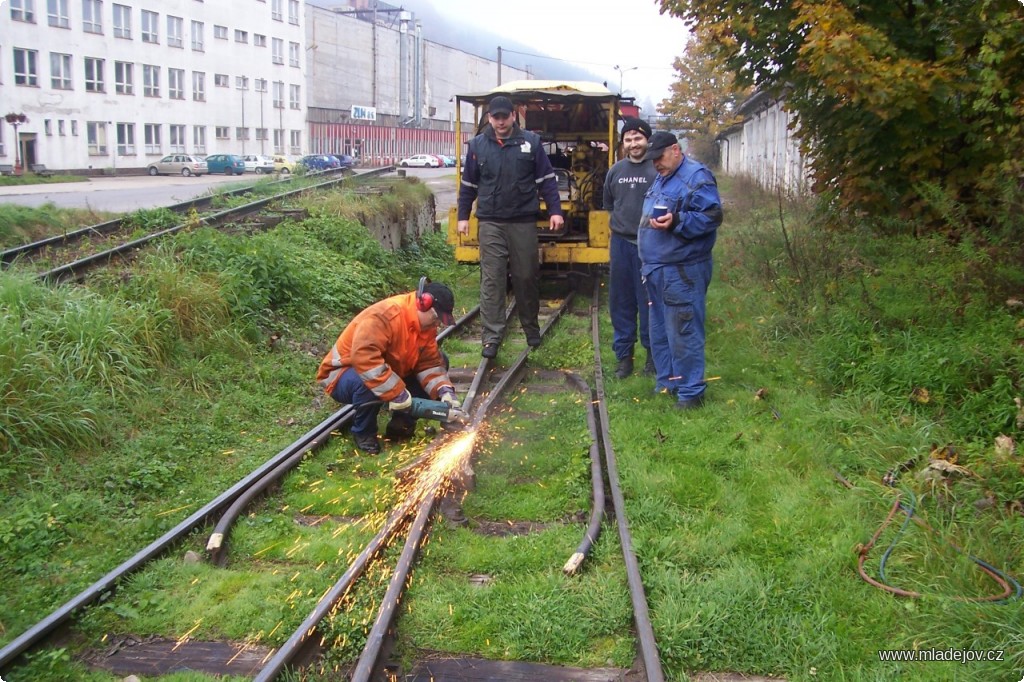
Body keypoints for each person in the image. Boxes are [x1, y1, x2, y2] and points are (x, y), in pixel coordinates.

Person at [457, 95, 564, 359]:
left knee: (526, 276)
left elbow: (547, 179)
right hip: (491, 221)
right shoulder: (478, 146)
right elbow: (468, 184)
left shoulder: (531, 143)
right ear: (490, 118)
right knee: (492, 279)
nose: (501, 121)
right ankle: (491, 337)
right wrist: (463, 216)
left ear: (514, 115)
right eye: (496, 117)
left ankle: (531, 328)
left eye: (505, 116)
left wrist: (555, 210)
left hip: (523, 221)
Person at [316, 280, 461, 453]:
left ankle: (401, 424)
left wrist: (445, 391)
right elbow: (365, 359)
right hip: (342, 374)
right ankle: (364, 433)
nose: (436, 324)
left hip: (385, 368)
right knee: (367, 382)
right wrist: (397, 394)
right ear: (423, 303)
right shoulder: (385, 315)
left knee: (441, 359)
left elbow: (429, 363)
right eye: (436, 318)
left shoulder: (426, 326)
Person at [638, 132, 723, 409]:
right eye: (652, 160)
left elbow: (711, 217)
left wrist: (677, 221)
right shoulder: (664, 177)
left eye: (659, 158)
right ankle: (668, 383)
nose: (656, 165)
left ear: (676, 150)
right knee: (661, 331)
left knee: (683, 331)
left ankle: (691, 392)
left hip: (681, 270)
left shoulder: (696, 177)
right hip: (656, 269)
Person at [602, 117, 657, 379]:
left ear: (647, 139)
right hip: (621, 245)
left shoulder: (657, 169)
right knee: (621, 302)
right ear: (623, 143)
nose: (633, 144)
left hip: (651, 246)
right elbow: (610, 205)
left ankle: (653, 356)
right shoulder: (616, 171)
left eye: (638, 138)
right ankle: (624, 357)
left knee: (649, 302)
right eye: (628, 139)